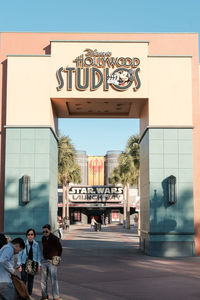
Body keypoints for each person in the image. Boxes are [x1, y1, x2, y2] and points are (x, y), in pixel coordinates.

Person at [41, 224, 62, 300]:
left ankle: (56, 297)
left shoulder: (55, 238)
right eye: (43, 231)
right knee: (43, 280)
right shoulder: (43, 238)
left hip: (52, 261)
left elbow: (60, 249)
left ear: (50, 230)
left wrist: (57, 259)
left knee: (54, 280)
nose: (45, 233)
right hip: (44, 261)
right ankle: (44, 296)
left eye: (46, 231)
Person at [17, 228, 41, 296]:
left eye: (32, 234)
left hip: (33, 264)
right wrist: (19, 265)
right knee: (23, 281)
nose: (30, 236)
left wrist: (39, 265)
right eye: (28, 234)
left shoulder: (36, 244)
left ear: (34, 236)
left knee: (31, 281)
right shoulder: (24, 244)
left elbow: (38, 255)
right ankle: (23, 294)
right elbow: (19, 255)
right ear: (26, 236)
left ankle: (29, 295)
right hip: (24, 264)